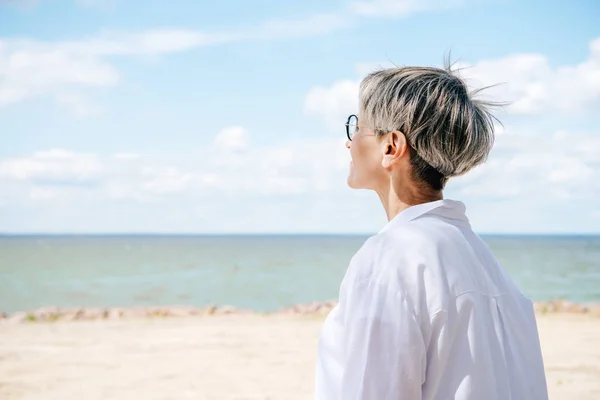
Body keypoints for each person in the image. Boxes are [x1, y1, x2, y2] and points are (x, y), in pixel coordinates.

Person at [314, 64, 549, 399]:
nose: (348, 144)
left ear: (391, 146)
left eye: (357, 128)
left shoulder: (391, 257)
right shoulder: (485, 262)